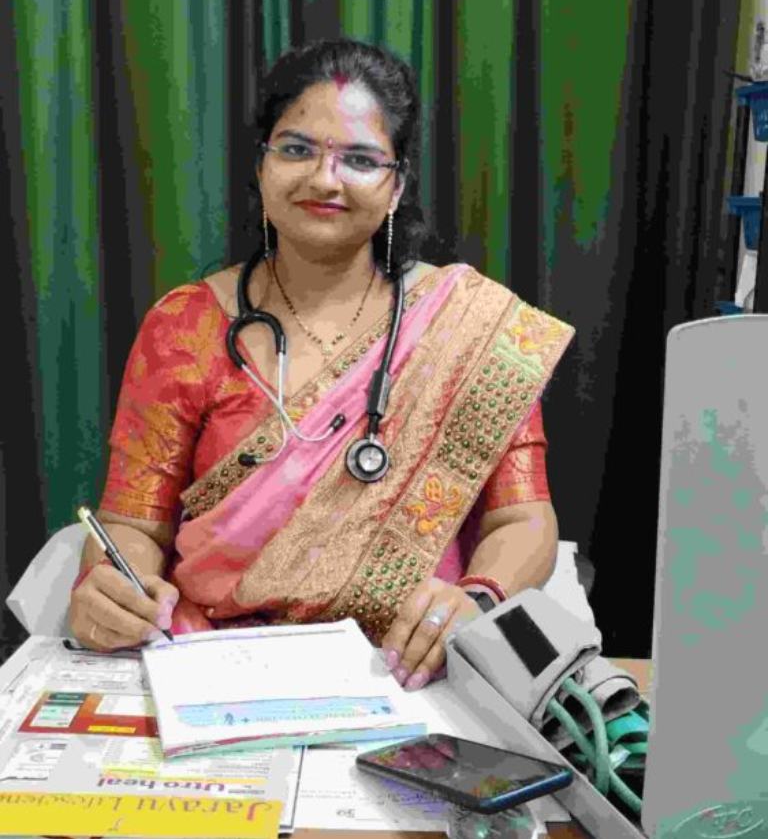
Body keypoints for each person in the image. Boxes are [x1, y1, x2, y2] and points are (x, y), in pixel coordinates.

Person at [69, 38, 574, 693]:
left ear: (396, 185)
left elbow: (523, 518)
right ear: (261, 165)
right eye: (296, 149)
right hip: (216, 673)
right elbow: (131, 526)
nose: (324, 179)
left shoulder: (471, 326)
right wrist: (114, 587)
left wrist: (476, 598)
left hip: (410, 676)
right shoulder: (185, 329)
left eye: (359, 159)